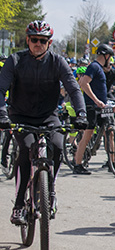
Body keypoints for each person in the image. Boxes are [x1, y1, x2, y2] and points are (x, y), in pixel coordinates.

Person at [0, 21, 87, 224]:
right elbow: (1, 89)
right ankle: (19, 205)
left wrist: (81, 114)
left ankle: (50, 190)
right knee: (26, 148)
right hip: (20, 114)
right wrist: (2, 114)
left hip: (48, 115)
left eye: (43, 40)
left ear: (49, 43)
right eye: (34, 40)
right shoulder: (15, 60)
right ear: (28, 40)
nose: (38, 43)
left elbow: (73, 89)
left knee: (57, 146)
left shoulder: (58, 62)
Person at [73, 43, 114, 175]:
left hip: (102, 107)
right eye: (110, 57)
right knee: (87, 135)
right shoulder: (94, 66)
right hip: (92, 106)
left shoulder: (100, 68)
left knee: (110, 132)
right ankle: (78, 164)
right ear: (105, 55)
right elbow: (83, 83)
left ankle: (112, 162)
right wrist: (96, 101)